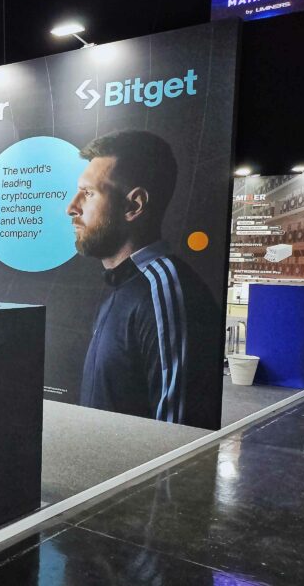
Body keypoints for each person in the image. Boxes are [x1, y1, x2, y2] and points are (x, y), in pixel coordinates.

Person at [66, 129, 221, 430]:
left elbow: (177, 437)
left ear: (134, 206)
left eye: (89, 193)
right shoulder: (125, 285)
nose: (71, 207)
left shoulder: (165, 291)